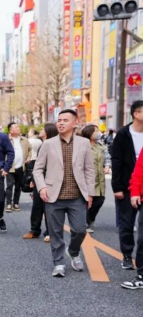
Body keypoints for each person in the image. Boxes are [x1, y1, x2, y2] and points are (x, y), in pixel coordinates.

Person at [33, 109, 95, 278]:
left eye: (65, 120)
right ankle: (58, 263)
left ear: (75, 123)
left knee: (80, 229)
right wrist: (42, 187)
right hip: (53, 196)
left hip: (77, 196)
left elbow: (89, 170)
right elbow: (37, 169)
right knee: (55, 232)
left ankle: (73, 251)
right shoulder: (48, 144)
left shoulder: (84, 143)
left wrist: (90, 193)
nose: (60, 123)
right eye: (59, 120)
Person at [112, 100, 143, 286]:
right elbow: (116, 161)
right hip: (126, 186)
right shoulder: (123, 134)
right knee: (127, 223)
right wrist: (117, 187)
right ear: (136, 114)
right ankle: (126, 255)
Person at [23, 123, 58, 241]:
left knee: (48, 207)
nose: (41, 130)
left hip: (50, 180)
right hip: (39, 179)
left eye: (43, 129)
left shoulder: (54, 145)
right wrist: (34, 179)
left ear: (48, 131)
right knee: (37, 206)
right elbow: (38, 165)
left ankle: (50, 232)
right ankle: (34, 230)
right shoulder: (43, 144)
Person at [79, 125, 109, 234]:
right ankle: (86, 223)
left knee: (100, 200)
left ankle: (91, 218)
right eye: (95, 131)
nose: (98, 133)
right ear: (89, 133)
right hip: (87, 178)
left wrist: (107, 166)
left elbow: (107, 157)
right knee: (87, 202)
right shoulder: (82, 146)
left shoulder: (100, 146)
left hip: (100, 179)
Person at [5, 122, 32, 212]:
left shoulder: (24, 140)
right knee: (9, 186)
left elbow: (30, 150)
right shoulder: (6, 140)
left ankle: (16, 203)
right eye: (16, 127)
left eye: (18, 127)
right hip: (9, 167)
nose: (19, 128)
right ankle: (9, 203)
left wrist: (28, 157)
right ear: (11, 131)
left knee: (18, 186)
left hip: (21, 167)